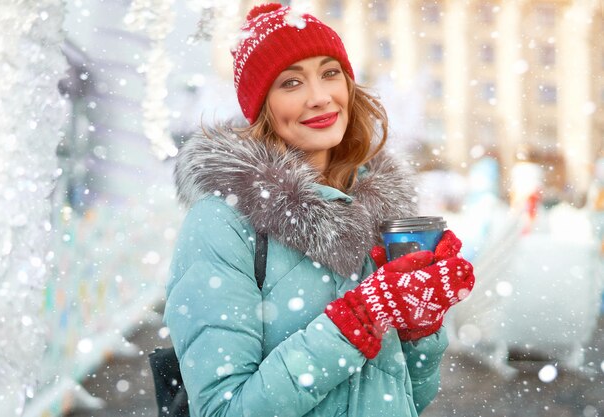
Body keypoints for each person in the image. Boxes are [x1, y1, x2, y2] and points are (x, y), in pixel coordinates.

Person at [165, 3, 475, 416]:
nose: (319, 97)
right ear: (262, 107)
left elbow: (407, 399)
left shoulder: (379, 213)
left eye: (330, 73)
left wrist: (420, 328)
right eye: (291, 82)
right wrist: (356, 321)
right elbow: (225, 410)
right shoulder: (223, 222)